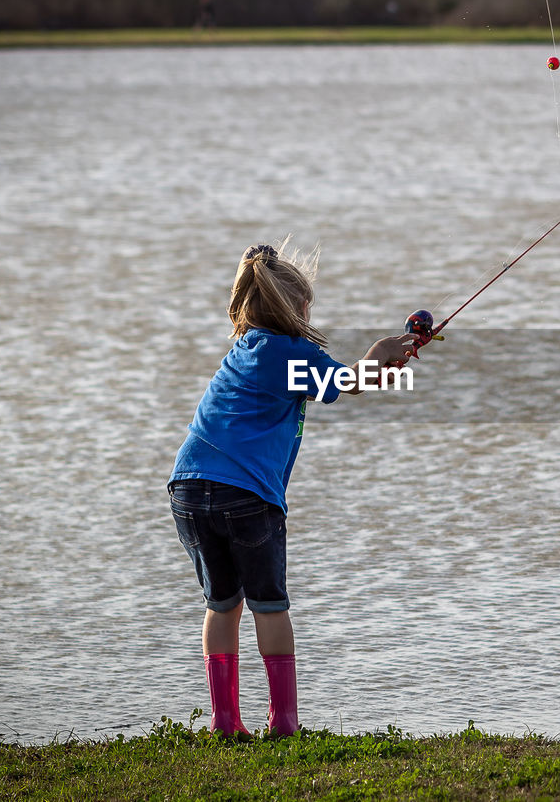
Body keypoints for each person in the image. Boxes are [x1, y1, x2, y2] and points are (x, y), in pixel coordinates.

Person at [168, 241, 415, 737]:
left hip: (188, 489)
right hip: (247, 497)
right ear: (297, 309)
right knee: (269, 603)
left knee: (221, 603)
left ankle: (225, 723)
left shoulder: (245, 349)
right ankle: (283, 723)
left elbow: (341, 383)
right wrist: (384, 355)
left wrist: (377, 370)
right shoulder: (294, 353)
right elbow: (348, 383)